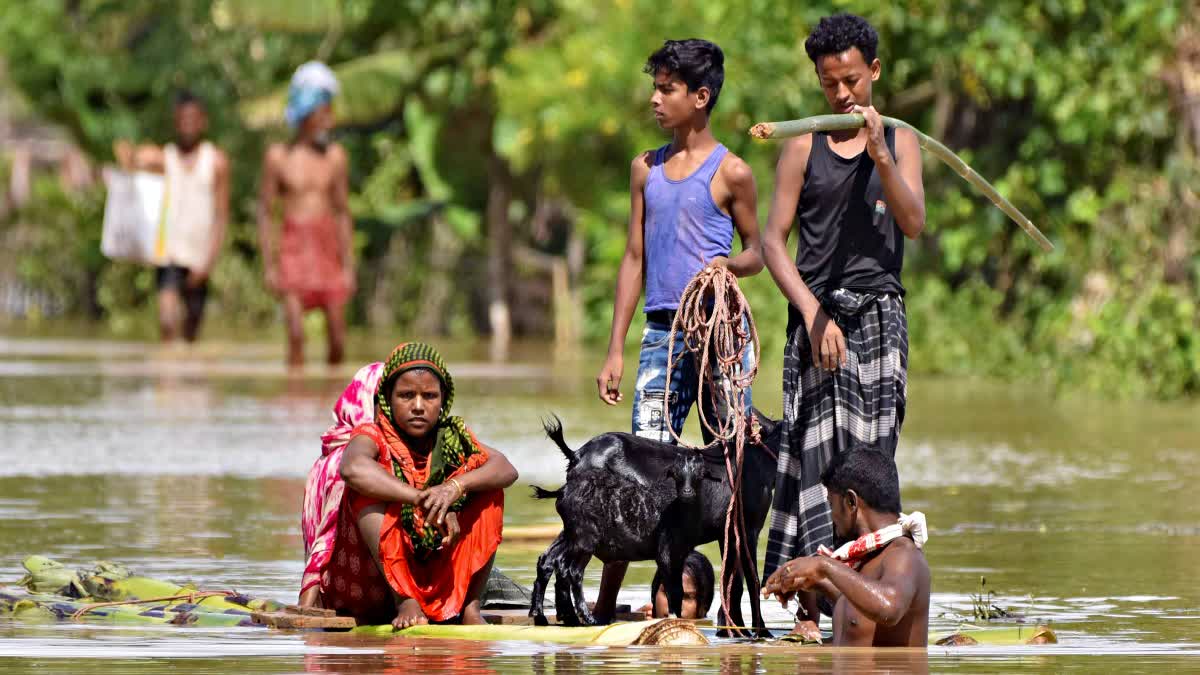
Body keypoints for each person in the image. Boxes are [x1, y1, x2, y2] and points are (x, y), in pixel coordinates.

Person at [759, 13, 926, 637]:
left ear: (874, 72)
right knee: (816, 457)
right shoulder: (802, 146)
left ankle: (878, 595)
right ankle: (811, 608)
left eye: (852, 81)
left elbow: (913, 222)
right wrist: (812, 312)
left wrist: (882, 153)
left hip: (880, 315)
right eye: (830, 85)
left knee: (872, 461)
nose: (842, 96)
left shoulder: (902, 139)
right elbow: (774, 243)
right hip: (816, 313)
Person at [592, 38, 764, 623]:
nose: (655, 99)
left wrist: (727, 267)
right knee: (638, 468)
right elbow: (633, 257)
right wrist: (615, 346)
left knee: (734, 464)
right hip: (662, 332)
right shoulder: (646, 169)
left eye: (667, 89)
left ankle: (736, 610)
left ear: (701, 96)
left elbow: (759, 252)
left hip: (719, 332)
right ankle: (607, 602)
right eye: (656, 87)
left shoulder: (733, 172)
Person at [329, 342, 519, 628]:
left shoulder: (452, 437)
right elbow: (352, 468)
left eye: (429, 396)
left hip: (435, 570)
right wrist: (421, 499)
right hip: (373, 587)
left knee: (489, 491)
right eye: (406, 395)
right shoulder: (372, 434)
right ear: (387, 399)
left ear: (443, 400)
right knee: (366, 494)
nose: (418, 406)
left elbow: (505, 468)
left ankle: (470, 607)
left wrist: (454, 488)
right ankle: (405, 601)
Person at [762, 446, 930, 647]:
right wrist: (815, 583)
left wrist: (824, 567)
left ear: (851, 502)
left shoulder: (904, 554)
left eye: (831, 505)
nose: (832, 517)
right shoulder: (866, 561)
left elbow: (889, 609)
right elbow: (859, 633)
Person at [258, 61, 355, 367]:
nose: (329, 120)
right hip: (293, 249)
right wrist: (270, 264)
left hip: (327, 251)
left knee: (338, 339)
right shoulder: (279, 158)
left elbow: (342, 212)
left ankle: (335, 404)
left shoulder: (336, 158)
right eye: (323, 112)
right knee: (297, 335)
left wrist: (348, 266)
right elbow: (265, 211)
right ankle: (295, 405)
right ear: (306, 114)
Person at [114, 91, 230, 343]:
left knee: (191, 332)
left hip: (199, 255)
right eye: (183, 119)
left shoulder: (217, 162)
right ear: (176, 122)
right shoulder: (165, 158)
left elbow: (221, 216)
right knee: (167, 321)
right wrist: (128, 153)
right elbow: (131, 161)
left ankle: (184, 377)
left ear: (203, 121)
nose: (188, 124)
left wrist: (209, 262)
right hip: (169, 252)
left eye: (193, 119)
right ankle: (166, 378)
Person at [299, 361, 384, 608]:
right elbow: (325, 538)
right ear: (370, 403)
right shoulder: (349, 460)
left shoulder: (330, 451)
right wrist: (305, 609)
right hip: (350, 590)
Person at [638, 550, 715, 620]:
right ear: (654, 594)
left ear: (705, 607)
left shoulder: (713, 632)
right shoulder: (637, 625)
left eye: (687, 597)